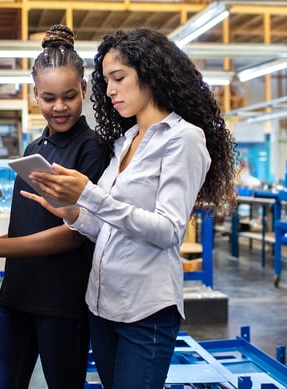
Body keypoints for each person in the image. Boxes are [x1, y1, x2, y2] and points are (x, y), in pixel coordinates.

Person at [19, 27, 238, 389]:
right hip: (102, 307)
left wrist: (88, 194)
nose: (109, 91)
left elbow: (168, 231)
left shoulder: (182, 139)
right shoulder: (125, 142)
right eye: (105, 81)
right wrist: (71, 212)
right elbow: (105, 225)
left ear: (149, 75)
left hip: (146, 311)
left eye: (118, 78)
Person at [0, 24, 109, 389]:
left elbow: (73, 235)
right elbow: (26, 223)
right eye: (48, 98)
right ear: (35, 94)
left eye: (68, 96)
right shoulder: (34, 150)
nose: (59, 107)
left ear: (83, 90)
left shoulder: (92, 150)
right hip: (15, 297)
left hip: (61, 304)